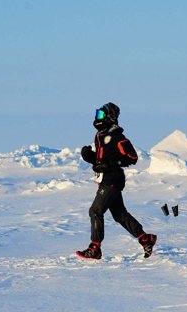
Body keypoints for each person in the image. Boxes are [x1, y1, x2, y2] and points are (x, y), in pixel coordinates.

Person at [76, 102, 157, 260]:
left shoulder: (116, 136)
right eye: (97, 114)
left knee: (95, 211)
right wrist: (89, 157)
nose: (97, 117)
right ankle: (145, 238)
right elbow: (101, 161)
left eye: (100, 114)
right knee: (120, 215)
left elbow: (132, 157)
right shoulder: (100, 136)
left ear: (110, 117)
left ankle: (95, 248)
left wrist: (112, 163)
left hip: (113, 179)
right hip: (106, 179)